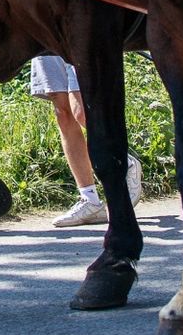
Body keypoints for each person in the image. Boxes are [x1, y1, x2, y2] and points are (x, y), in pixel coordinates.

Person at [32, 55, 143, 228]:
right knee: (62, 112)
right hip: (45, 34)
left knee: (82, 112)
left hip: (76, 33)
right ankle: (90, 200)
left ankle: (123, 162)